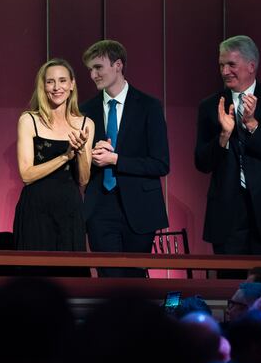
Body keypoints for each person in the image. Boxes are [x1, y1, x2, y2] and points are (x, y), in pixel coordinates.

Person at [195, 35, 261, 265]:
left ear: (251, 66)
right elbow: (202, 163)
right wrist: (223, 135)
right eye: (221, 65)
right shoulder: (210, 106)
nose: (225, 71)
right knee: (231, 283)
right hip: (227, 215)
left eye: (231, 65)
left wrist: (253, 125)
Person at [80, 39, 169, 277]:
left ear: (118, 65)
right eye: (90, 69)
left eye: (98, 67)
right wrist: (89, 154)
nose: (93, 75)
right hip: (100, 207)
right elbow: (79, 165)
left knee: (134, 280)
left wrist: (116, 160)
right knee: (109, 279)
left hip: (140, 208)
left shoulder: (149, 106)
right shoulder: (85, 110)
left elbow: (161, 164)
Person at [14, 59, 93, 272]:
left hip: (70, 211)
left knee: (70, 277)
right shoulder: (29, 120)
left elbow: (83, 179)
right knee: (34, 279)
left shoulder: (85, 124)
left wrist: (81, 152)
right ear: (43, 86)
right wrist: (65, 157)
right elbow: (26, 174)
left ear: (72, 84)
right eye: (50, 82)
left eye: (62, 81)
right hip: (35, 211)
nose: (57, 87)